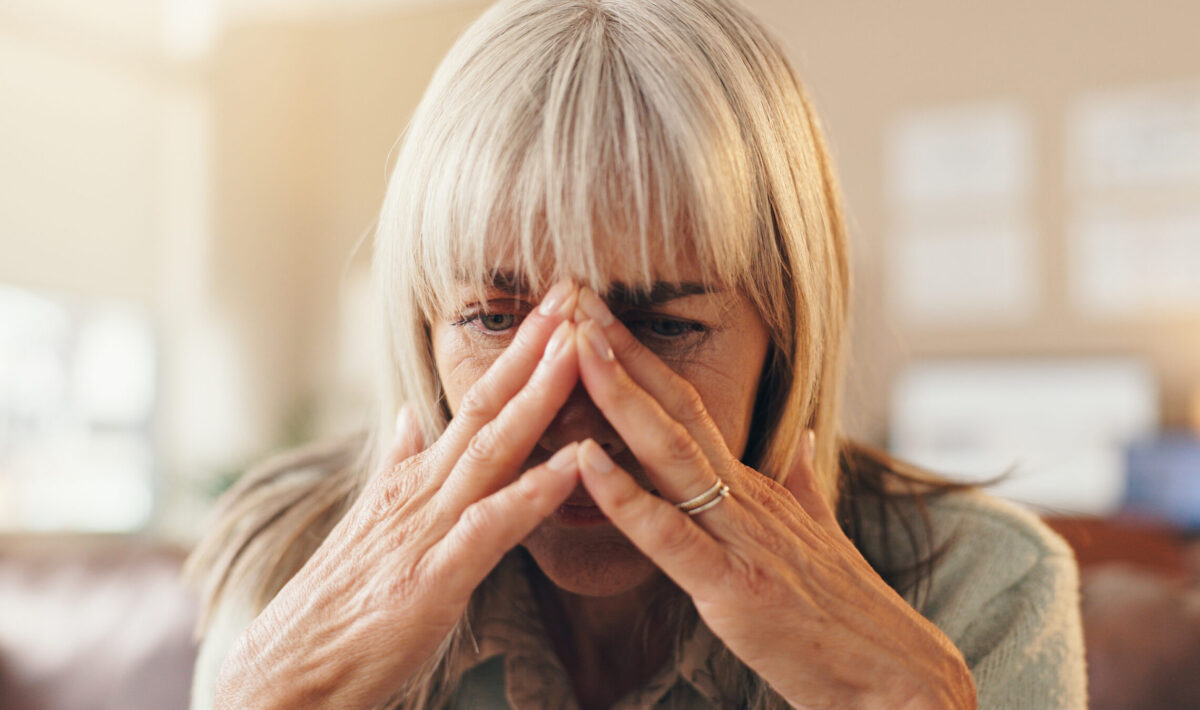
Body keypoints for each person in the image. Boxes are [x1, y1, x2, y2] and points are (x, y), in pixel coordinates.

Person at [185, 1, 1087, 708]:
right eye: (497, 319)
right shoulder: (287, 560)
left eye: (660, 328)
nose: (573, 412)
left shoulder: (982, 587)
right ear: (422, 325)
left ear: (786, 332)